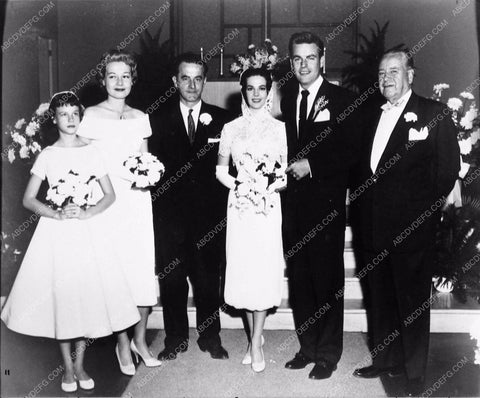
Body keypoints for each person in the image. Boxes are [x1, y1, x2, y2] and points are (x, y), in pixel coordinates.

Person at [1, 91, 140, 392]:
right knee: (64, 299)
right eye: (63, 114)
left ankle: (80, 364)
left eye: (75, 113)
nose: (70, 119)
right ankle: (66, 367)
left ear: (81, 116)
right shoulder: (48, 155)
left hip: (87, 232)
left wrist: (88, 211)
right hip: (58, 233)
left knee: (85, 297)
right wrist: (55, 213)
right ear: (54, 119)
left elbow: (110, 195)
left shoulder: (92, 152)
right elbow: (28, 199)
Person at [352, 50, 460, 397]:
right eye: (382, 72)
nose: (386, 78)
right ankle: (385, 361)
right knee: (379, 298)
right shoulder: (370, 113)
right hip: (371, 226)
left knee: (412, 303)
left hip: (412, 230)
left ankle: (414, 375)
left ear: (410, 75)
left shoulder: (433, 113)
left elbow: (446, 172)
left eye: (394, 71)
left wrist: (420, 216)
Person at [281, 31, 361, 380]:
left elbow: (351, 151)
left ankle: (327, 353)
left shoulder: (343, 98)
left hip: (326, 204)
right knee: (299, 279)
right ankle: (307, 346)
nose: (303, 65)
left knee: (327, 280)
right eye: (297, 59)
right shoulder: (286, 99)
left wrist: (311, 165)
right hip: (293, 207)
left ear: (322, 58)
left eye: (310, 58)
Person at [77, 50, 161, 375]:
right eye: (112, 76)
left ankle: (140, 339)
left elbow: (146, 161)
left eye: (125, 76)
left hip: (138, 203)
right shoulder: (91, 116)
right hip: (108, 204)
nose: (119, 82)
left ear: (133, 79)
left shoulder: (141, 116)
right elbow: (78, 159)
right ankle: (122, 343)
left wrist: (150, 176)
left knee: (141, 272)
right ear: (103, 80)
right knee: (117, 276)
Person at [149, 53, 232, 360]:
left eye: (198, 78)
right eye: (185, 78)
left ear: (205, 81)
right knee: (171, 279)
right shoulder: (156, 119)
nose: (192, 85)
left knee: (208, 278)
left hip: (208, 216)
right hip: (169, 216)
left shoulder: (222, 118)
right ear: (175, 81)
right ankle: (175, 338)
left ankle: (210, 337)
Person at [215, 67, 287, 372]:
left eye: (261, 88)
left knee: (263, 268)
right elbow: (220, 170)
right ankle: (254, 338)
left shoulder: (281, 129)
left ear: (269, 91)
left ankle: (256, 338)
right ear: (242, 91)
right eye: (250, 88)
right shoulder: (231, 128)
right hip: (241, 206)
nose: (256, 94)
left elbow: (284, 175)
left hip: (268, 206)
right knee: (244, 270)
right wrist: (240, 186)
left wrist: (266, 186)